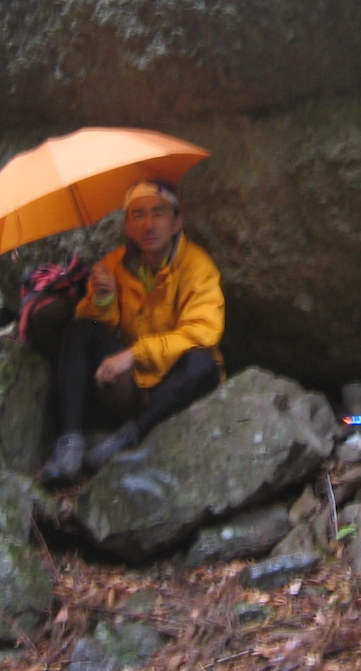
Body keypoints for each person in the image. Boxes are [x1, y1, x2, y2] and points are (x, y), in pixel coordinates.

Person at [40, 180, 225, 484]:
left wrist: (134, 354)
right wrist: (103, 299)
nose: (149, 225)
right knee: (80, 329)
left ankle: (129, 437)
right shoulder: (113, 265)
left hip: (168, 389)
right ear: (127, 225)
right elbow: (96, 325)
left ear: (177, 221)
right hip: (124, 385)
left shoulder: (197, 268)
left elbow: (203, 332)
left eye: (159, 214)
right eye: (138, 215)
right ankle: (70, 442)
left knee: (205, 365)